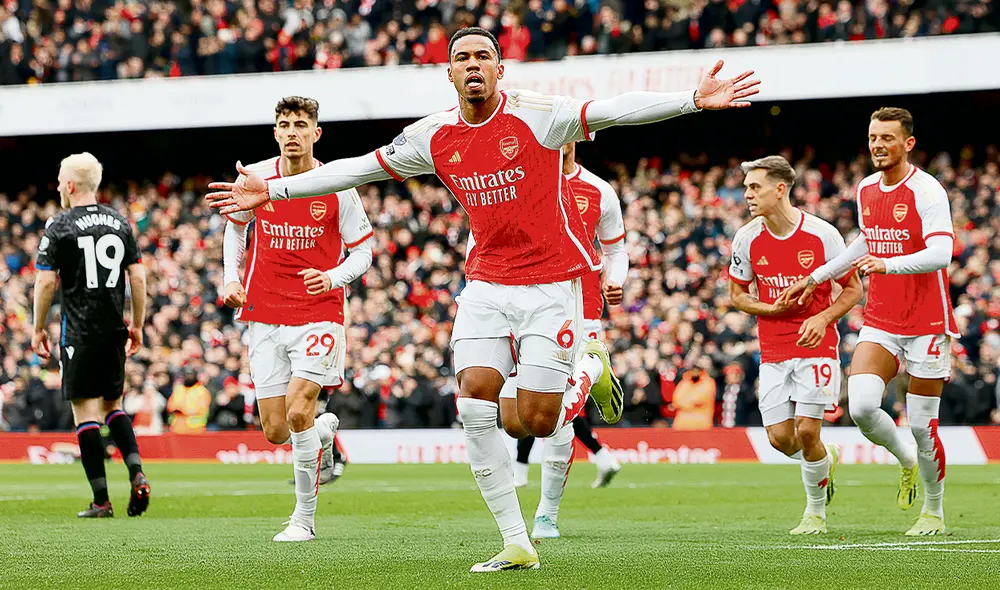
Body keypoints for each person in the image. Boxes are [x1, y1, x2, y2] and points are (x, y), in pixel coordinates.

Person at [206, 27, 759, 571]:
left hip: (551, 284)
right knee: (474, 405)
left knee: (536, 423)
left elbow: (615, 109)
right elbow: (361, 168)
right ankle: (516, 540)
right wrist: (272, 189)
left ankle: (587, 369)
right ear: (448, 73)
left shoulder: (539, 115)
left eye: (483, 56)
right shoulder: (434, 136)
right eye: (462, 58)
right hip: (487, 285)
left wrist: (692, 100)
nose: (473, 65)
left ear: (500, 68)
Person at [779, 108, 957, 536]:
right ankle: (907, 459)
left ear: (908, 143)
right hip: (881, 319)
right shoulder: (865, 189)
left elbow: (941, 254)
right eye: (874, 137)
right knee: (860, 406)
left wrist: (888, 264)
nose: (878, 145)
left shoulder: (927, 191)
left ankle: (933, 511)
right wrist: (817, 275)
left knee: (921, 423)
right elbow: (866, 240)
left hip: (929, 322)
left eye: (888, 138)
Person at [221, 96, 374, 542]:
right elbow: (236, 228)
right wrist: (231, 280)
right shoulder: (255, 178)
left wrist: (332, 278)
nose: (291, 132)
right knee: (275, 430)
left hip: (318, 313)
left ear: (315, 133)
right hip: (265, 312)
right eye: (284, 124)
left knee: (298, 407)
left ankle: (303, 520)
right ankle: (323, 434)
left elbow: (363, 251)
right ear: (275, 132)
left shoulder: (336, 183)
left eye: (300, 124)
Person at [729, 155, 863, 534]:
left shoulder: (822, 235)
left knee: (807, 431)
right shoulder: (747, 237)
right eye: (746, 187)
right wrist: (770, 307)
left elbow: (853, 289)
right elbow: (737, 295)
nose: (748, 194)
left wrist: (822, 318)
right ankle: (826, 458)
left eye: (755, 187)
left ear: (780, 189)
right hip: (772, 351)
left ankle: (815, 514)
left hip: (816, 347)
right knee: (782, 441)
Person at [510, 141, 626, 541]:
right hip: (526, 305)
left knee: (560, 420)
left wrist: (616, 280)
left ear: (576, 137)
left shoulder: (598, 190)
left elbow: (616, 249)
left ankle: (546, 514)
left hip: (582, 309)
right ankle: (594, 369)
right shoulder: (517, 182)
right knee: (521, 414)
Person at [32, 152, 151, 518]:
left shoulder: (60, 223)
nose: (57, 188)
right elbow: (139, 277)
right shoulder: (120, 222)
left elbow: (46, 280)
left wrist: (37, 328)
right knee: (113, 406)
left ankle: (102, 501)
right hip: (115, 329)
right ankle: (137, 473)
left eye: (58, 183)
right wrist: (138, 325)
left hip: (79, 332)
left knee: (85, 413)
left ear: (70, 185)